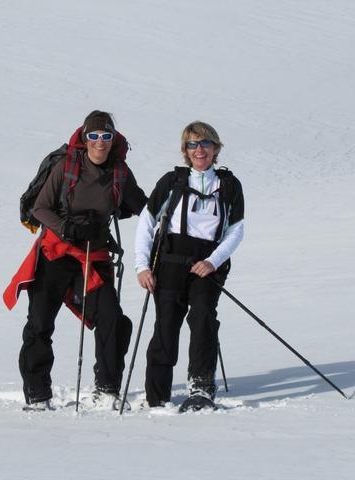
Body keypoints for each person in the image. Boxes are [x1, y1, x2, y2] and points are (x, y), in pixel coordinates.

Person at [5, 110, 147, 410]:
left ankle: (107, 389)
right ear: (84, 138)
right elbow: (41, 207)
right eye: (93, 136)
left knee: (111, 318)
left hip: (92, 258)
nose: (99, 142)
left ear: (113, 139)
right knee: (40, 323)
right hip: (54, 254)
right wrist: (66, 227)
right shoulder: (67, 167)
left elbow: (141, 206)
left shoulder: (120, 172)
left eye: (106, 136)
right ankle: (37, 394)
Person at [134, 121, 244, 412]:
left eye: (206, 143)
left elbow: (235, 230)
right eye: (193, 145)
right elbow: (147, 222)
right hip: (169, 261)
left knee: (203, 317)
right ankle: (157, 395)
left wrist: (213, 261)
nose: (199, 150)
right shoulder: (172, 182)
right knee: (166, 323)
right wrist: (142, 266)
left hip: (207, 265)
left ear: (216, 148)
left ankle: (201, 388)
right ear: (185, 151)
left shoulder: (230, 186)